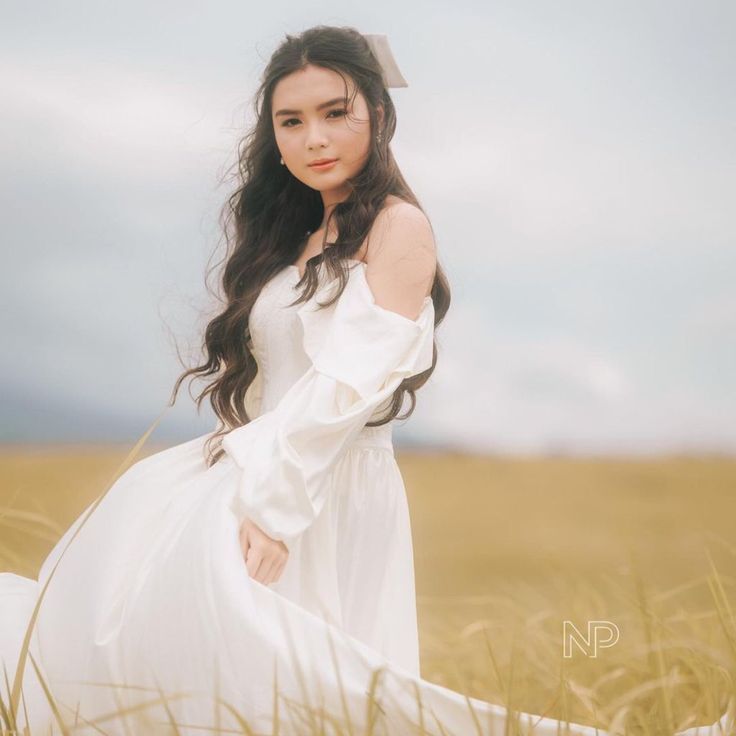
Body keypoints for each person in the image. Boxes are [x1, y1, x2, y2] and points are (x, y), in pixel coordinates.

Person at [0, 25, 730, 736]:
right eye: (291, 121)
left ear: (377, 117)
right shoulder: (291, 241)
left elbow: (352, 380)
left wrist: (274, 505)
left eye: (335, 112)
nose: (313, 138)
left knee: (319, 690)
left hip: (322, 487)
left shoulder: (397, 227)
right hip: (258, 473)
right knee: (156, 649)